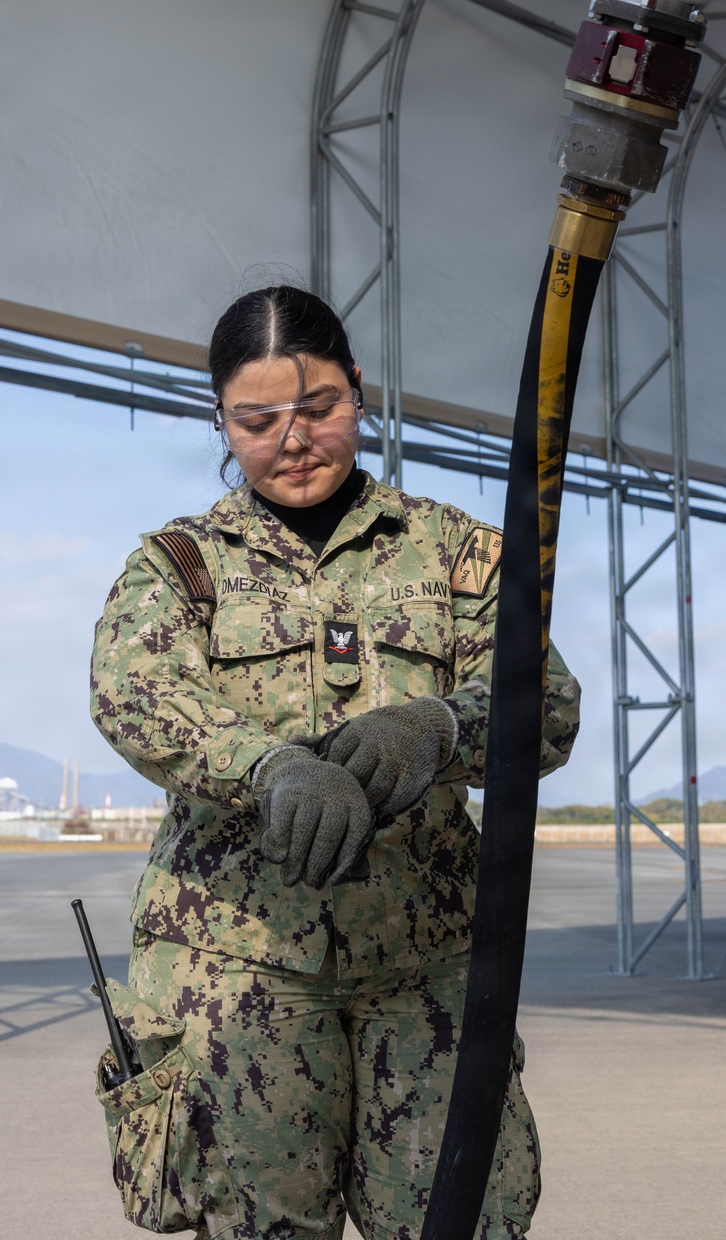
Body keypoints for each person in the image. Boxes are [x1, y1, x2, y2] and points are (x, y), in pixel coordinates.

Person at [90, 284, 580, 1240]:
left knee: (457, 1219)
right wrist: (265, 766)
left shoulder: (452, 554)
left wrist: (440, 726)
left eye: (319, 408)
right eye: (257, 419)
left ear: (360, 391)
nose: (293, 439)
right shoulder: (179, 566)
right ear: (221, 421)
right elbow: (130, 690)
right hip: (239, 965)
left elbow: (546, 702)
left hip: (427, 964)